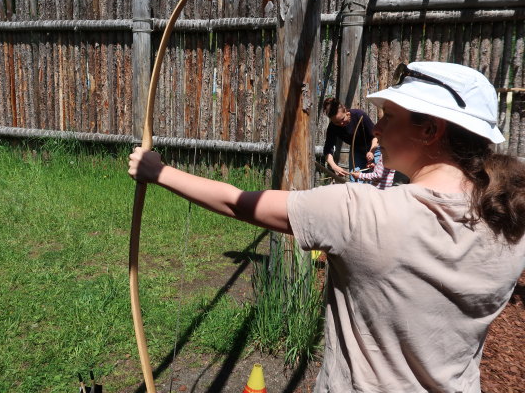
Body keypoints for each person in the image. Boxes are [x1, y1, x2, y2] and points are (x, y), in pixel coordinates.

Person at [128, 61, 525, 392]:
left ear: (430, 130)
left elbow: (238, 201)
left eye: (389, 116)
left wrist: (157, 171)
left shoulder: (362, 212)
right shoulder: (510, 220)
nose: (377, 129)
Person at [322, 98, 378, 180]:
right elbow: (327, 150)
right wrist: (334, 167)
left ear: (345, 111)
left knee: (376, 178)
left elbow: (375, 136)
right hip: (357, 150)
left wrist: (372, 151)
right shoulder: (332, 127)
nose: (341, 124)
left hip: (375, 147)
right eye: (336, 122)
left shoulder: (359, 115)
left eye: (342, 119)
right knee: (355, 178)